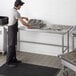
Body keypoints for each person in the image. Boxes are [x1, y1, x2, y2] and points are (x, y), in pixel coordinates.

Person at [6, 0, 32, 67]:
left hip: (11, 29)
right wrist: (29, 26)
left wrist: (24, 17)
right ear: (18, 5)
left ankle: (14, 59)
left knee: (13, 45)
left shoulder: (12, 10)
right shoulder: (16, 12)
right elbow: (22, 22)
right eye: (21, 5)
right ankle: (8, 62)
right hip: (12, 30)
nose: (21, 7)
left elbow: (17, 17)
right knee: (11, 46)